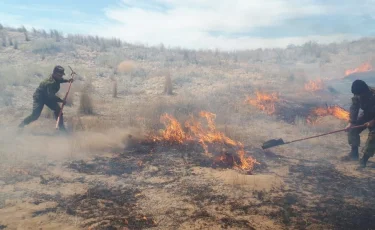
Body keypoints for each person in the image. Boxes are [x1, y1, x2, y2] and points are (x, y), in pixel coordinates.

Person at [18, 65, 73, 131]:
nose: (61, 76)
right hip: (39, 97)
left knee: (58, 111)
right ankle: (22, 125)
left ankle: (62, 129)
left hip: (47, 97)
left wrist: (68, 80)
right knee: (35, 115)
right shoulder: (50, 83)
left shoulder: (57, 78)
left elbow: (60, 80)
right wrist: (61, 100)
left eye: (61, 75)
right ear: (55, 74)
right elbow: (51, 96)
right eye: (60, 75)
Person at [345, 79, 375, 168]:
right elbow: (354, 108)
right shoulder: (357, 95)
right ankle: (354, 155)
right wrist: (351, 123)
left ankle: (364, 160)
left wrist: (373, 121)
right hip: (367, 115)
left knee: (373, 137)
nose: (358, 96)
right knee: (353, 129)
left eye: (359, 94)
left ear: (365, 91)